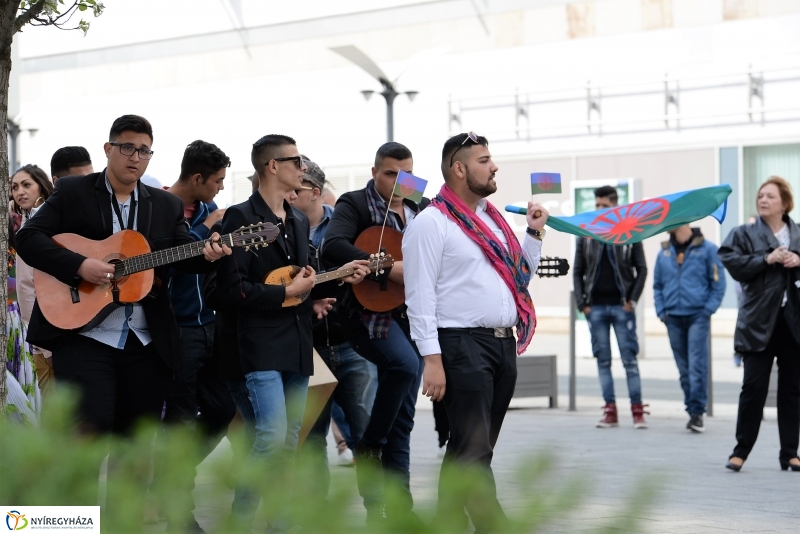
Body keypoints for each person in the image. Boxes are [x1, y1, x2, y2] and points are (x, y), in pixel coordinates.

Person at [15, 115, 231, 522]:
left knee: (133, 445)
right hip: (85, 335)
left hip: (144, 341)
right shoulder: (75, 192)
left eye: (144, 150)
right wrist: (80, 266)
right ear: (109, 149)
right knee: (89, 434)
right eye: (128, 147)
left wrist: (209, 254)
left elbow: (183, 254)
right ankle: (76, 524)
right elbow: (27, 238)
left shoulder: (164, 205)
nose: (136, 157)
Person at [216, 134, 369, 530]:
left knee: (287, 441)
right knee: (270, 435)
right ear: (273, 166)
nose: (303, 168)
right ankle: (240, 521)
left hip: (298, 341)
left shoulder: (298, 219)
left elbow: (299, 280)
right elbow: (230, 291)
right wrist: (285, 293)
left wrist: (316, 294)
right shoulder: (238, 217)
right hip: (255, 344)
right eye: (296, 161)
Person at [404, 132, 546, 532]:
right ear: (459, 169)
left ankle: (445, 523)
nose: (494, 166)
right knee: (475, 449)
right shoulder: (432, 223)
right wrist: (431, 359)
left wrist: (534, 234)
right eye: (484, 161)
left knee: (471, 448)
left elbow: (519, 278)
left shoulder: (494, 220)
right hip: (461, 345)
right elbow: (419, 297)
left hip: (502, 344)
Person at [322, 142, 427, 526]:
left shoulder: (421, 205)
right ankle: (369, 443)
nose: (399, 182)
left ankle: (398, 513)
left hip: (414, 316)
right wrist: (384, 267)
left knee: (403, 421)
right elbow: (333, 245)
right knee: (404, 365)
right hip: (369, 316)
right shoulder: (355, 203)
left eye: (407, 174)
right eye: (390, 174)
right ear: (374, 172)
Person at [157, 140, 236, 532]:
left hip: (210, 326)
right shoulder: (159, 208)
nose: (220, 188)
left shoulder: (210, 211)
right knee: (181, 421)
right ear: (197, 178)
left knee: (223, 409)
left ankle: (167, 475)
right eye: (217, 180)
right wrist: (205, 231)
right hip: (176, 330)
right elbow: (160, 264)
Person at [293, 159, 378, 502]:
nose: (289, 193)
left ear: (315, 192)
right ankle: (315, 514)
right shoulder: (280, 229)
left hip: (352, 344)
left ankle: (379, 509)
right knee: (311, 438)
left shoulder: (346, 225)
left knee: (367, 431)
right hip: (308, 349)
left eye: (296, 188)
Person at [719, 176, 800, 472]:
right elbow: (731, 262)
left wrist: (798, 259)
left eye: (770, 196)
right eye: (761, 196)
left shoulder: (798, 234)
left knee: (792, 391)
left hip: (793, 323)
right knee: (753, 388)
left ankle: (790, 453)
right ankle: (740, 451)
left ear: (785, 203)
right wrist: (766, 259)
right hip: (757, 322)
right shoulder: (743, 233)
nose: (763, 200)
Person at [573, 185, 649, 429]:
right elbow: (578, 271)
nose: (599, 209)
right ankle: (610, 411)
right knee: (603, 361)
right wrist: (583, 305)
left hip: (621, 308)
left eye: (603, 205)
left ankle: (637, 412)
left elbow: (642, 269)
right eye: (597, 204)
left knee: (630, 361)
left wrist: (632, 301)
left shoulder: (629, 232)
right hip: (595, 309)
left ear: (615, 206)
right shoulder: (586, 233)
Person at [653, 224, 726, 433]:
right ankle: (691, 409)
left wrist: (707, 311)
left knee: (697, 366)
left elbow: (718, 283)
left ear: (683, 222)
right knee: (684, 369)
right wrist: (662, 312)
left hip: (697, 316)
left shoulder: (708, 249)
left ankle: (697, 413)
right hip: (672, 318)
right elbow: (657, 285)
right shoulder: (664, 252)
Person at [7, 164, 53, 420]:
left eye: (26, 185)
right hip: (32, 330)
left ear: (41, 187)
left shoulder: (48, 222)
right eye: (15, 187)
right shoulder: (23, 221)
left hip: (49, 328)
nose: (20, 192)